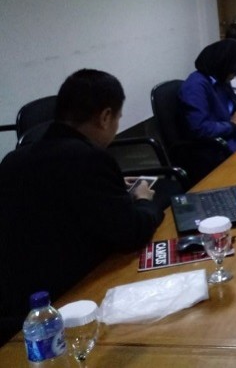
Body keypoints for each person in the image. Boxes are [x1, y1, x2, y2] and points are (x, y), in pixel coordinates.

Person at [0, 69, 165, 343]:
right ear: (105, 117)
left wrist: (109, 188)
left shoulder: (13, 159)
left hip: (17, 299)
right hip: (70, 301)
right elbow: (130, 233)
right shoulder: (89, 160)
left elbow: (58, 197)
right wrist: (145, 200)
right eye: (118, 118)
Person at [179, 39, 236, 152]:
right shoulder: (195, 86)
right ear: (222, 64)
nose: (235, 75)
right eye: (233, 71)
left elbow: (233, 107)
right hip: (220, 146)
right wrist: (232, 125)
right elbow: (200, 128)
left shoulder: (220, 80)